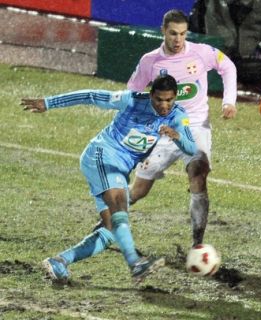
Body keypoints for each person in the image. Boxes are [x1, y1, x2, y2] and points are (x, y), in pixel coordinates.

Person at [21, 75, 197, 282]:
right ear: (151, 95)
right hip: (102, 154)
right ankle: (135, 263)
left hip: (119, 169)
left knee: (111, 230)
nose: (164, 105)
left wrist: (178, 137)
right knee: (120, 209)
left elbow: (192, 148)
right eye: (159, 99)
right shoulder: (131, 100)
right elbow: (91, 95)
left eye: (169, 100)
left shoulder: (178, 115)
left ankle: (59, 261)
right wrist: (49, 103)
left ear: (175, 97)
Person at [124, 9, 237, 246]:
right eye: (173, 34)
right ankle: (107, 220)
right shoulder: (150, 61)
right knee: (139, 190)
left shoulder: (201, 52)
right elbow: (131, 91)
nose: (178, 40)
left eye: (183, 34)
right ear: (163, 31)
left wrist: (229, 101)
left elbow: (228, 67)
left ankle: (198, 243)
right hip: (162, 131)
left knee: (198, 173)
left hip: (195, 126)